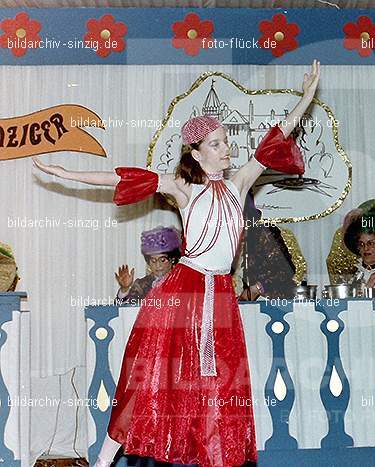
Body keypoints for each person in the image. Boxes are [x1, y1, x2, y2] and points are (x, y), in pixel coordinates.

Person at [33, 60, 320, 467]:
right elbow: (121, 177)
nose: (227, 149)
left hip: (220, 294)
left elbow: (275, 141)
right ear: (198, 153)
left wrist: (306, 98)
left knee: (220, 386)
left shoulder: (239, 186)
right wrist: (65, 172)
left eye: (226, 141)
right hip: (182, 291)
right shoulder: (184, 189)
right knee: (149, 376)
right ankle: (102, 460)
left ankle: (215, 458)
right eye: (217, 144)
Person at [114, 226, 181, 305]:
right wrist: (124, 289)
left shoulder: (182, 283)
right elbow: (123, 311)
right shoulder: (141, 285)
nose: (158, 265)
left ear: (172, 259)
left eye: (162, 260)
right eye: (153, 261)